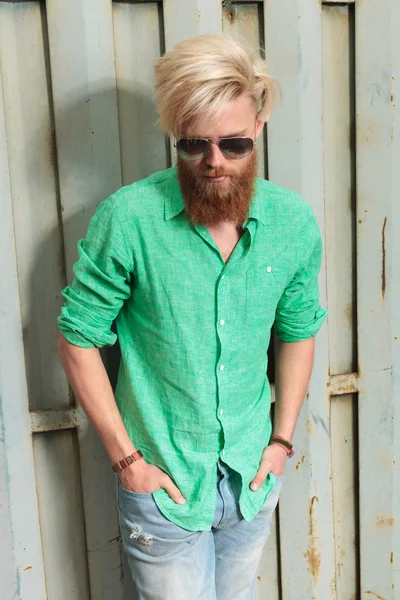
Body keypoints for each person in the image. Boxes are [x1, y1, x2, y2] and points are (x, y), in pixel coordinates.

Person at [57, 34, 327, 600]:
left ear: (258, 126)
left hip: (252, 480)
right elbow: (77, 338)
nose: (214, 162)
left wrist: (280, 442)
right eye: (193, 144)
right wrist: (128, 461)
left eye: (233, 144)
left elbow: (298, 332)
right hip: (163, 486)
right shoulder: (129, 220)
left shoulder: (292, 224)